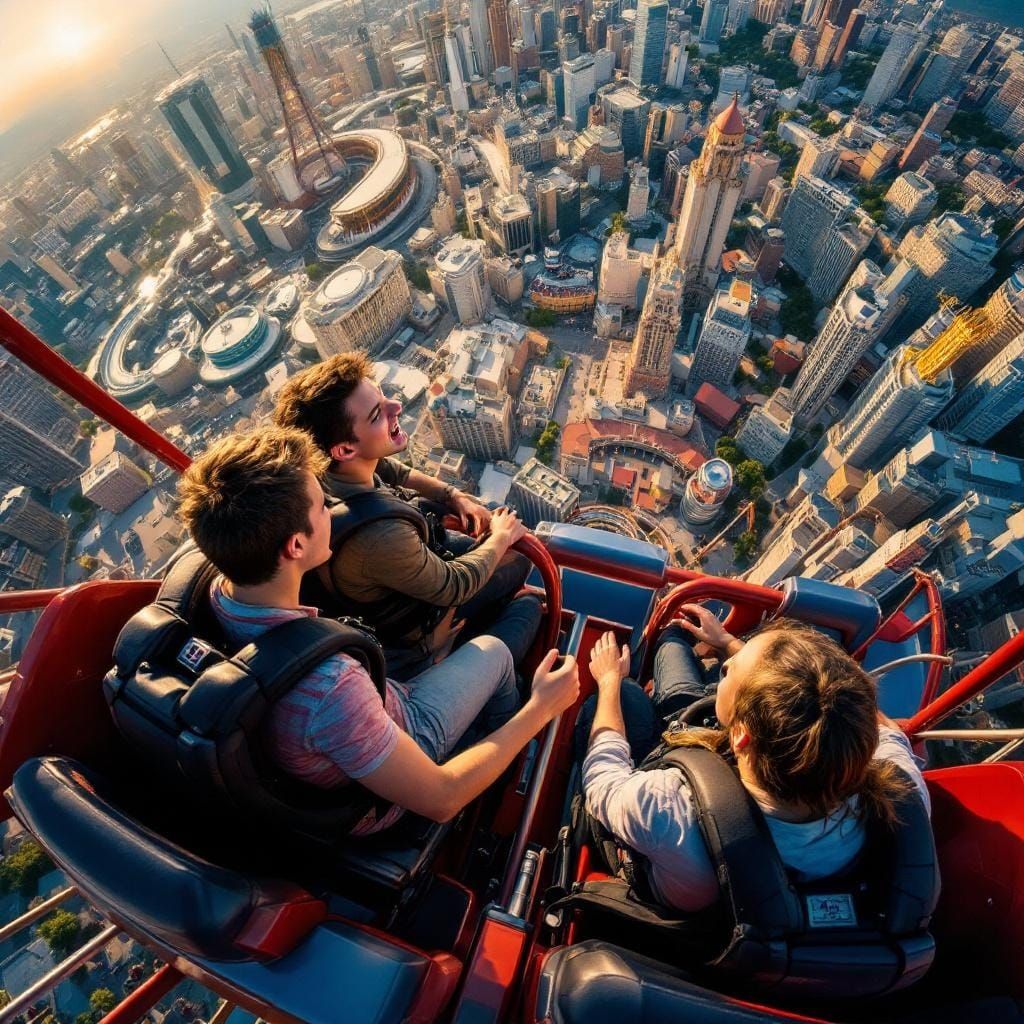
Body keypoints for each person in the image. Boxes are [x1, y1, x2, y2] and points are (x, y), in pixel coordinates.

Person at [177, 426, 579, 835]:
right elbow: (441, 797)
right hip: (393, 770)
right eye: (323, 506)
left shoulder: (216, 591)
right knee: (497, 647)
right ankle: (499, 748)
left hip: (352, 722)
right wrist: (541, 707)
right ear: (295, 546)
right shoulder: (331, 687)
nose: (333, 511)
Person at [577, 604, 930, 913]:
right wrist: (728, 643)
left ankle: (667, 642)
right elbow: (878, 724)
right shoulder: (900, 792)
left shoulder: (671, 809)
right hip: (721, 763)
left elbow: (602, 779)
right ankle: (679, 644)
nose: (729, 660)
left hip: (673, 782)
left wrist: (609, 681)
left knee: (628, 694)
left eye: (732, 667)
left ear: (740, 735)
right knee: (681, 675)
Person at [273, 353, 534, 677]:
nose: (396, 406)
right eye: (376, 414)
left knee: (496, 543)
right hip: (421, 625)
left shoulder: (329, 470)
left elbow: (395, 471)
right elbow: (454, 585)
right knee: (527, 594)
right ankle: (460, 658)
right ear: (344, 449)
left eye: (383, 395)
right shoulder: (378, 538)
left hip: (407, 567)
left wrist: (452, 495)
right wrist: (501, 536)